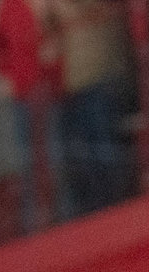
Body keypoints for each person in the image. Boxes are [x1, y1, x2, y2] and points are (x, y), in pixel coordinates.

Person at [55, 0, 136, 217]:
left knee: (105, 148)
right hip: (73, 83)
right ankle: (97, 211)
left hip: (100, 75)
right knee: (86, 154)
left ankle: (117, 207)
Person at [0, 0, 67, 230]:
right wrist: (6, 75)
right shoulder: (8, 5)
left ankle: (64, 215)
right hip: (22, 93)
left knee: (55, 153)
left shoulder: (46, 4)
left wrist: (54, 59)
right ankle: (34, 223)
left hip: (46, 86)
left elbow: (58, 36)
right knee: (27, 159)